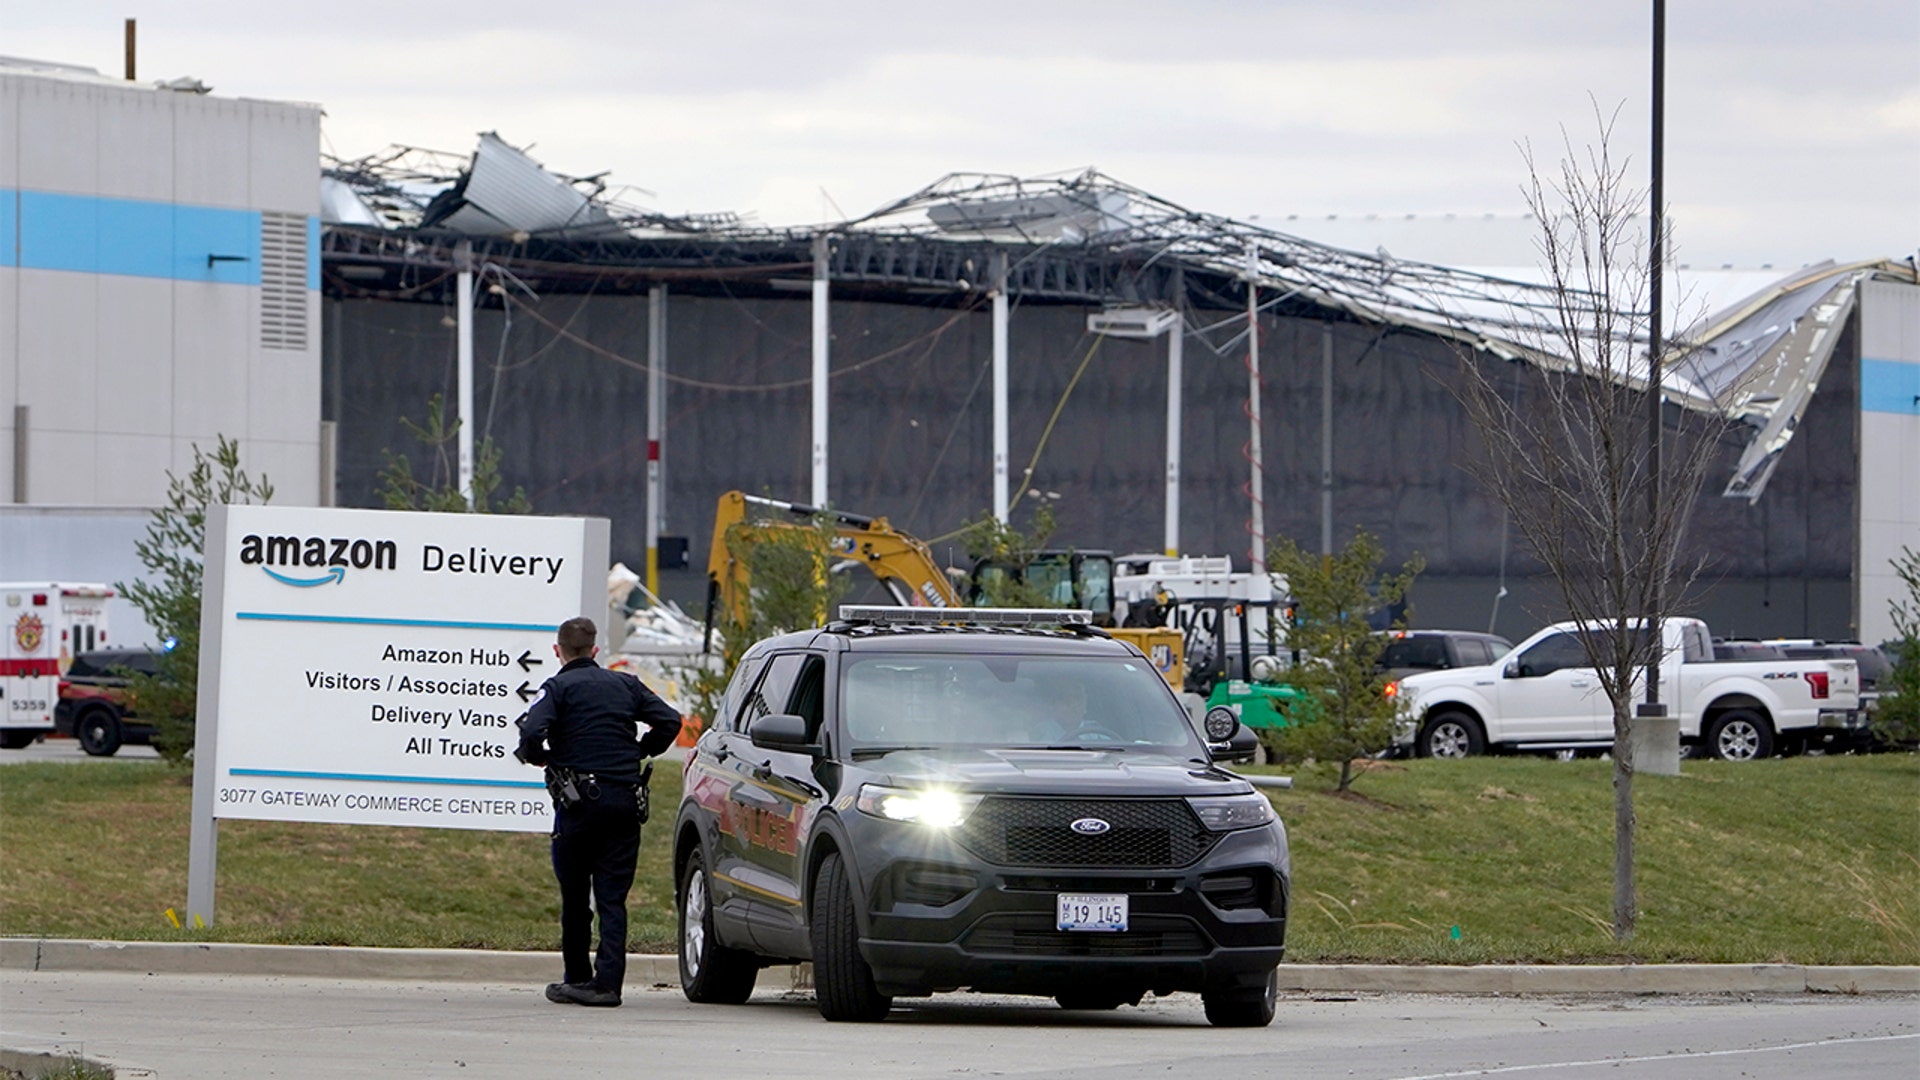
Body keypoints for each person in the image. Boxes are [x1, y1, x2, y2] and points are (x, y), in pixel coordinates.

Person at [516, 616, 681, 1007]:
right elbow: (670, 721)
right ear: (595, 651)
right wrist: (640, 750)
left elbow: (530, 733)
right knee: (612, 899)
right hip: (624, 801)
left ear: (558, 651)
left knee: (575, 896)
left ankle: (576, 978)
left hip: (578, 805)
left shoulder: (557, 687)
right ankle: (608, 984)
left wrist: (544, 759)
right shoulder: (625, 684)